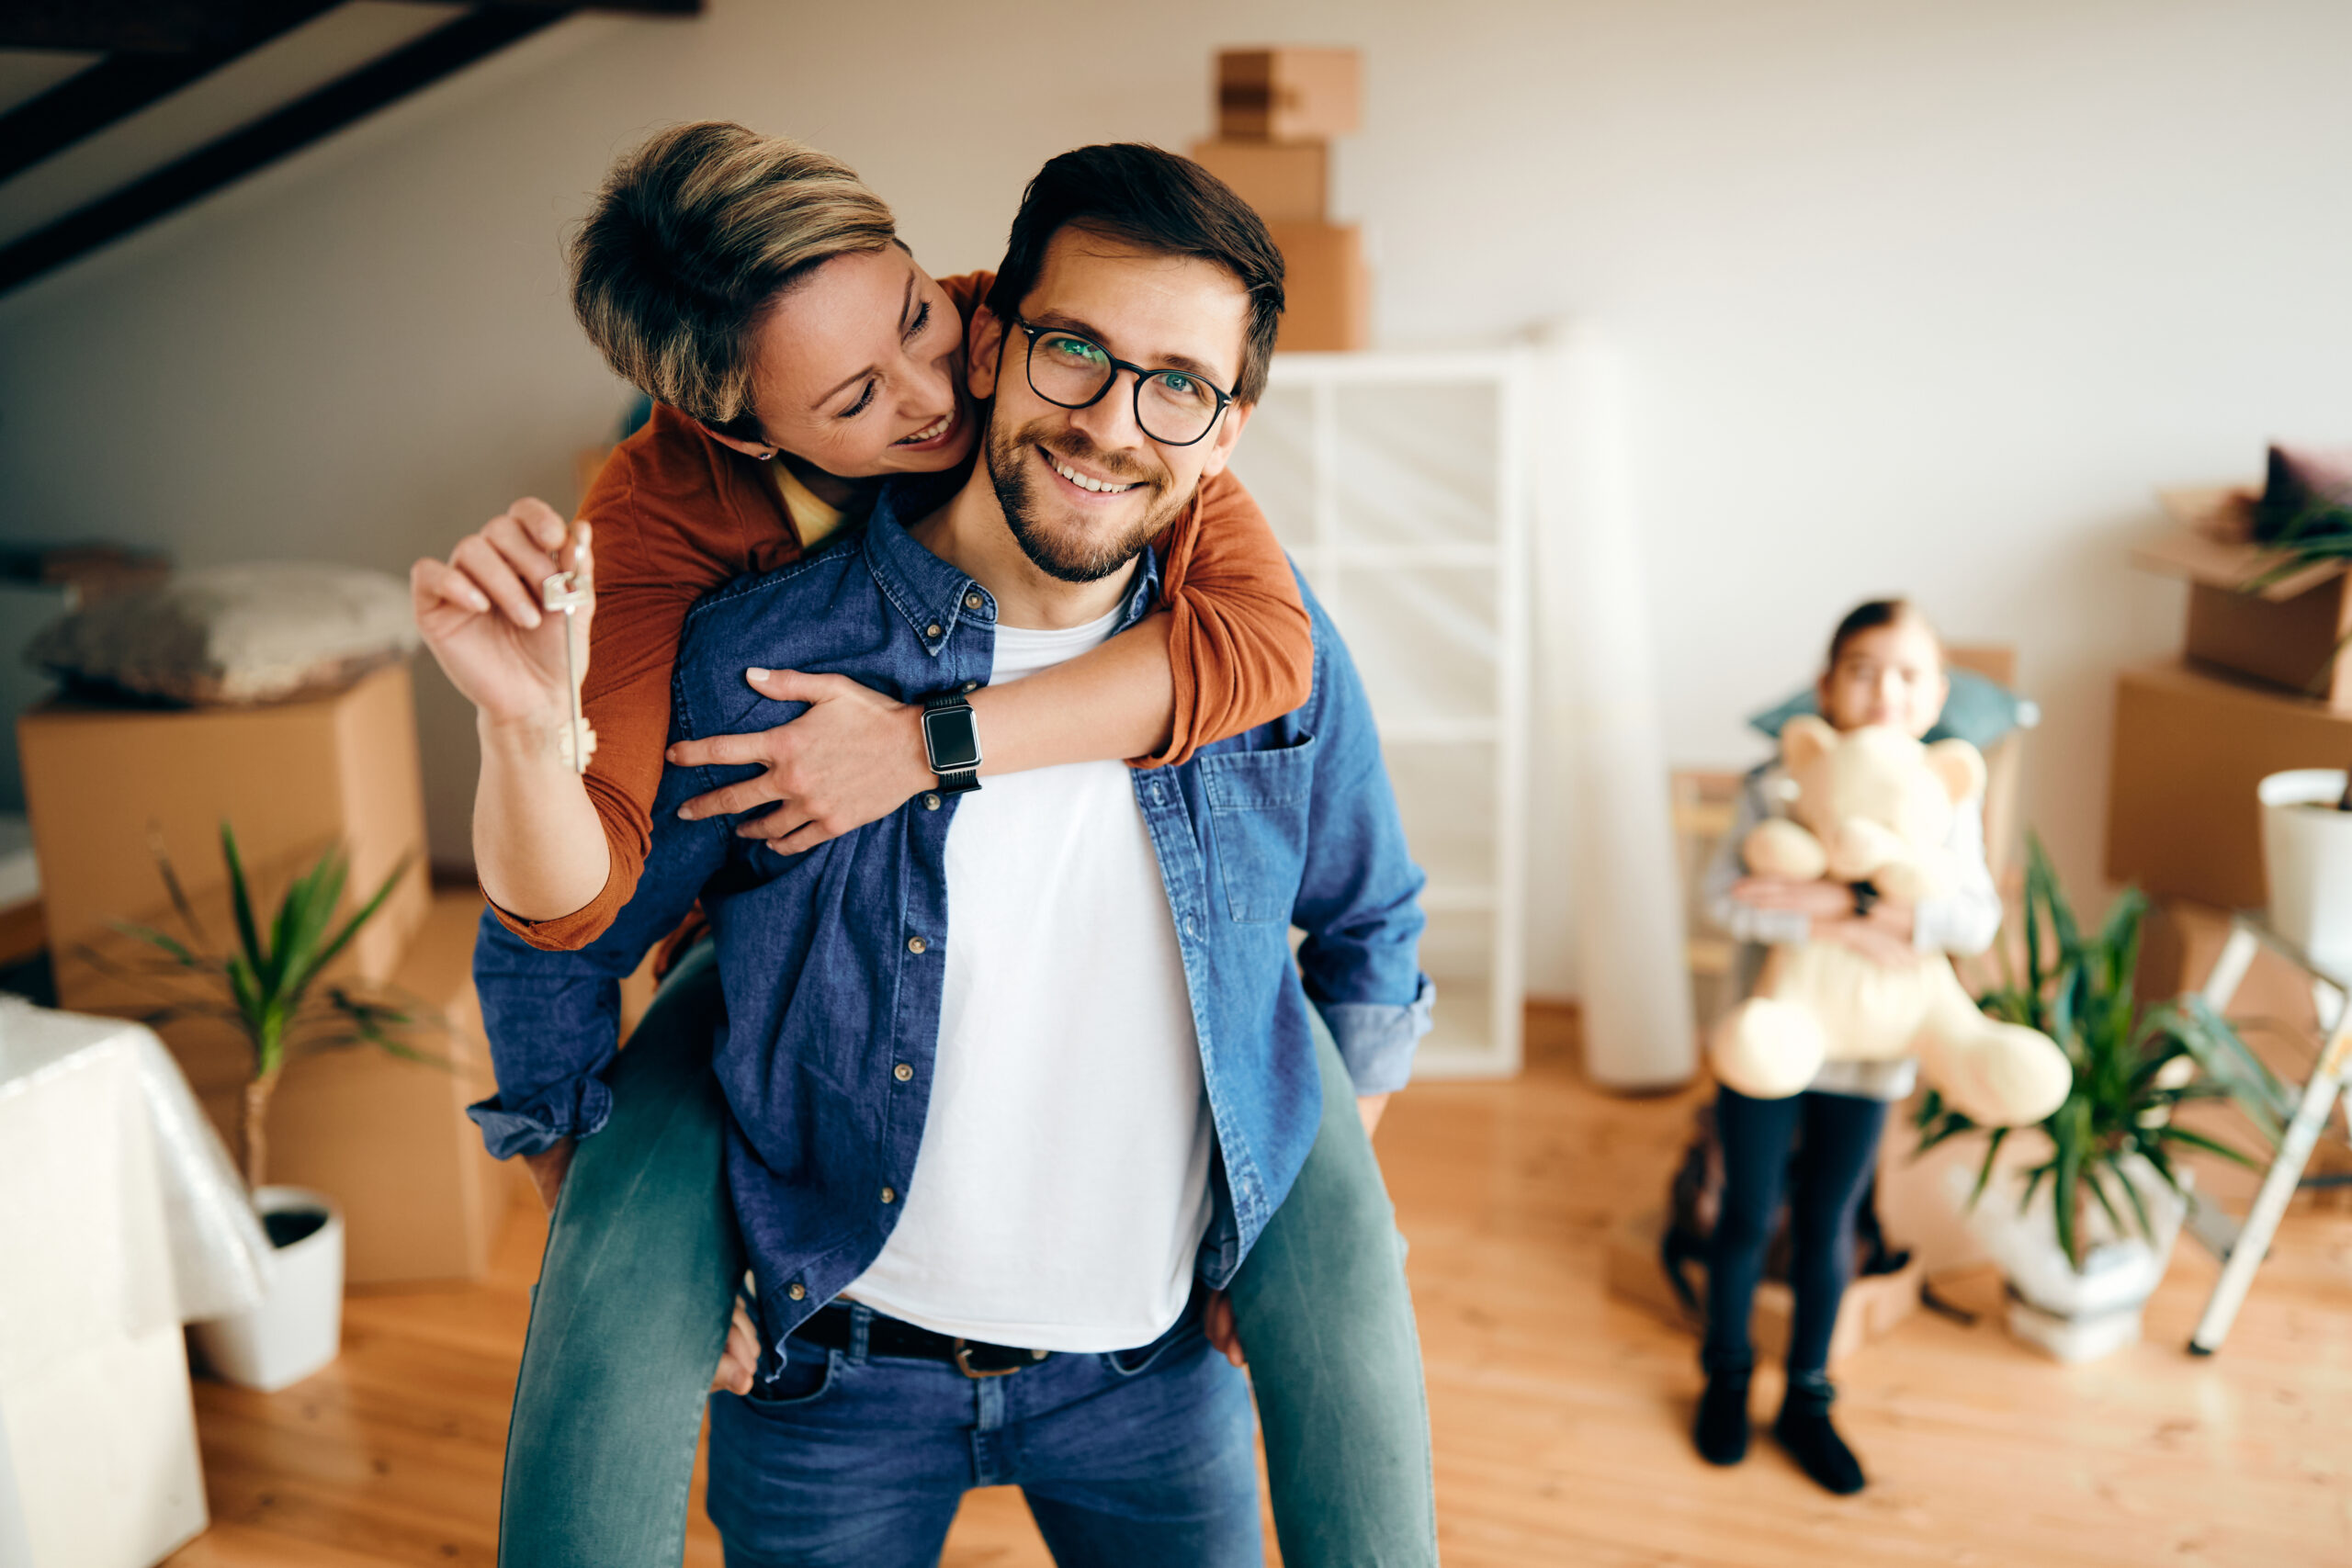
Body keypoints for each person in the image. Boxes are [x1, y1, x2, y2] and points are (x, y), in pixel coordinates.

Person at [414, 125, 1437, 1568]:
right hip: (834, 1377)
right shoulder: (752, 657)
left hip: (1153, 1375)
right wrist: (598, 1228)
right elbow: (554, 935)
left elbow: (1373, 925)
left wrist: (1289, 1214)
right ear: (1009, 338)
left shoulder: (1261, 644)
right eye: (1072, 353)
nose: (1109, 421)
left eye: (1182, 388)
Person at [1691, 599, 1999, 1495]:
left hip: (1870, 1054)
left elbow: (1971, 916)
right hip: (1769, 1038)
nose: (1884, 691)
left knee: (1833, 1217)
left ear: (1935, 694)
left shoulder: (1945, 799)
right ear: (1825, 686)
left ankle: (1809, 1395)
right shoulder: (1772, 783)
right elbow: (1725, 897)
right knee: (1747, 1212)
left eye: (1907, 674)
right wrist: (1868, 913)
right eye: (1863, 669)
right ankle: (1726, 1371)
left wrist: (1837, 904)